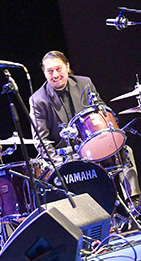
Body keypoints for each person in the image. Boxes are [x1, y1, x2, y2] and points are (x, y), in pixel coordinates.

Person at [29, 50, 140, 204]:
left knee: (125, 151)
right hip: (63, 154)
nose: (55, 75)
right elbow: (40, 139)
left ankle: (134, 202)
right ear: (44, 73)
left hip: (91, 146)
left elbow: (102, 109)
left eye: (58, 69)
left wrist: (107, 127)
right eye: (50, 71)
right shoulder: (37, 100)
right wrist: (58, 162)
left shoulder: (84, 83)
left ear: (67, 67)